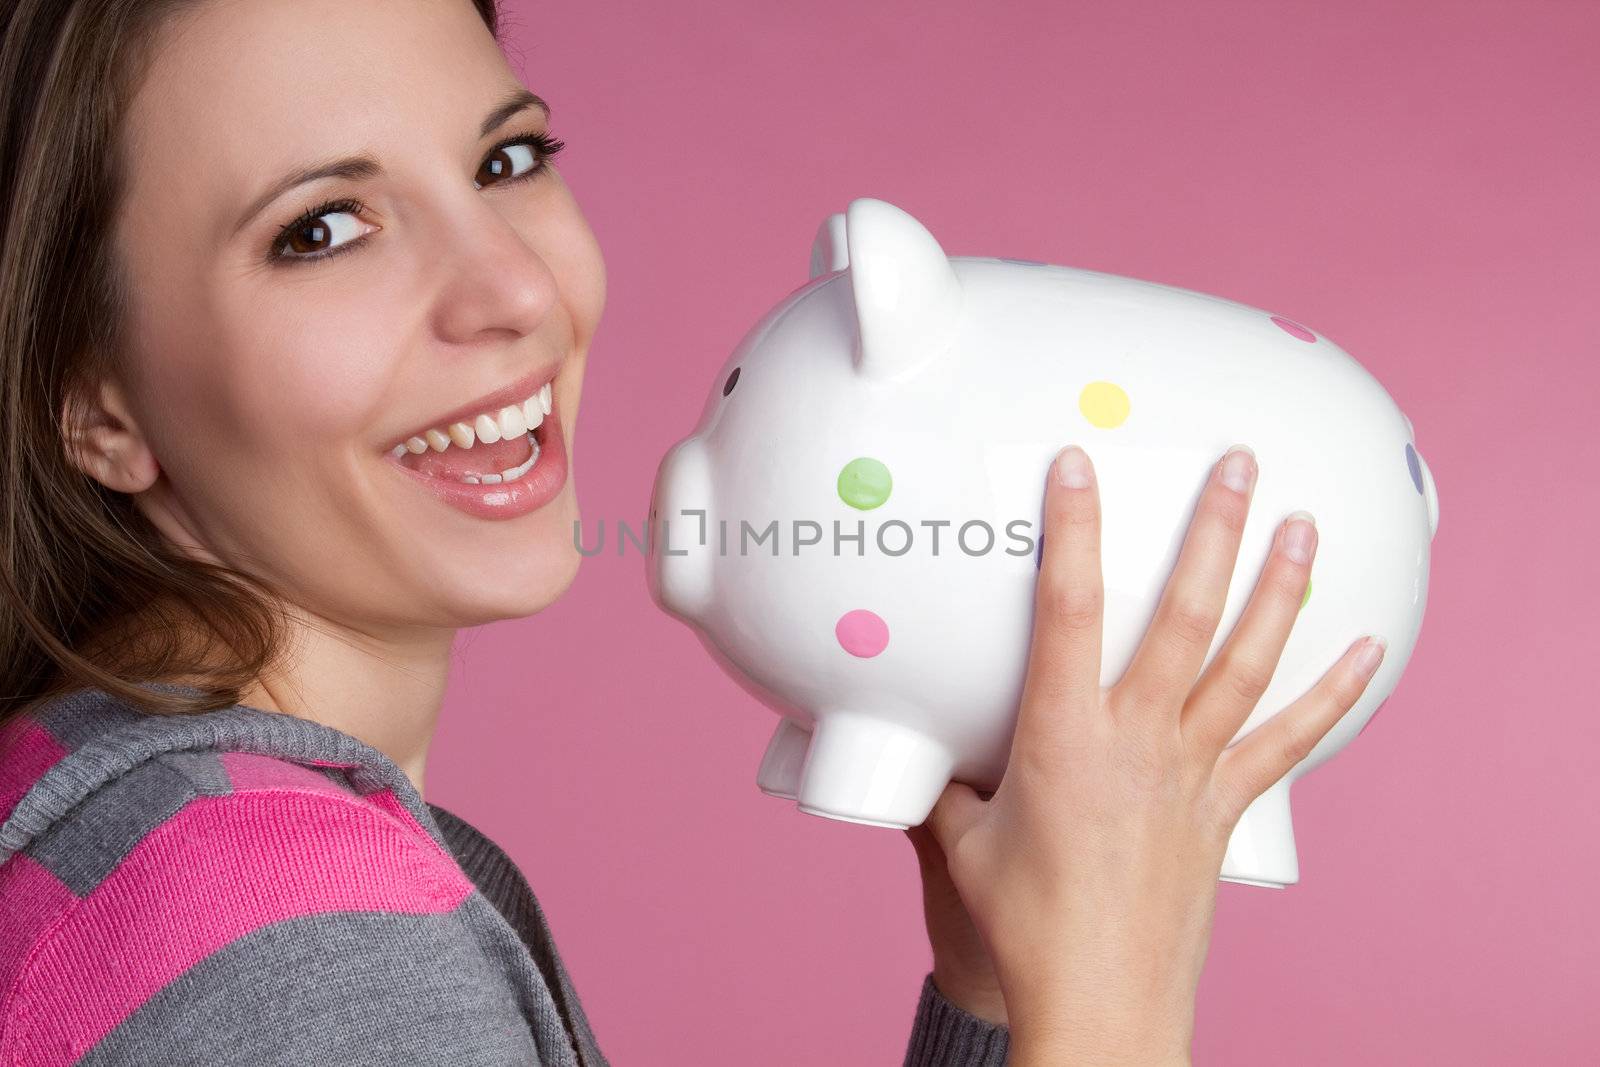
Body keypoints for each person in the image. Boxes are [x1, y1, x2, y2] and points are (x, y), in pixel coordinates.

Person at [0, 0, 1386, 1063]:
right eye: (323, 230)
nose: (515, 291)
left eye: (508, 157)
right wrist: (1114, 1006)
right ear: (92, 401)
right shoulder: (291, 942)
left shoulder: (117, 804)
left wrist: (1003, 994)